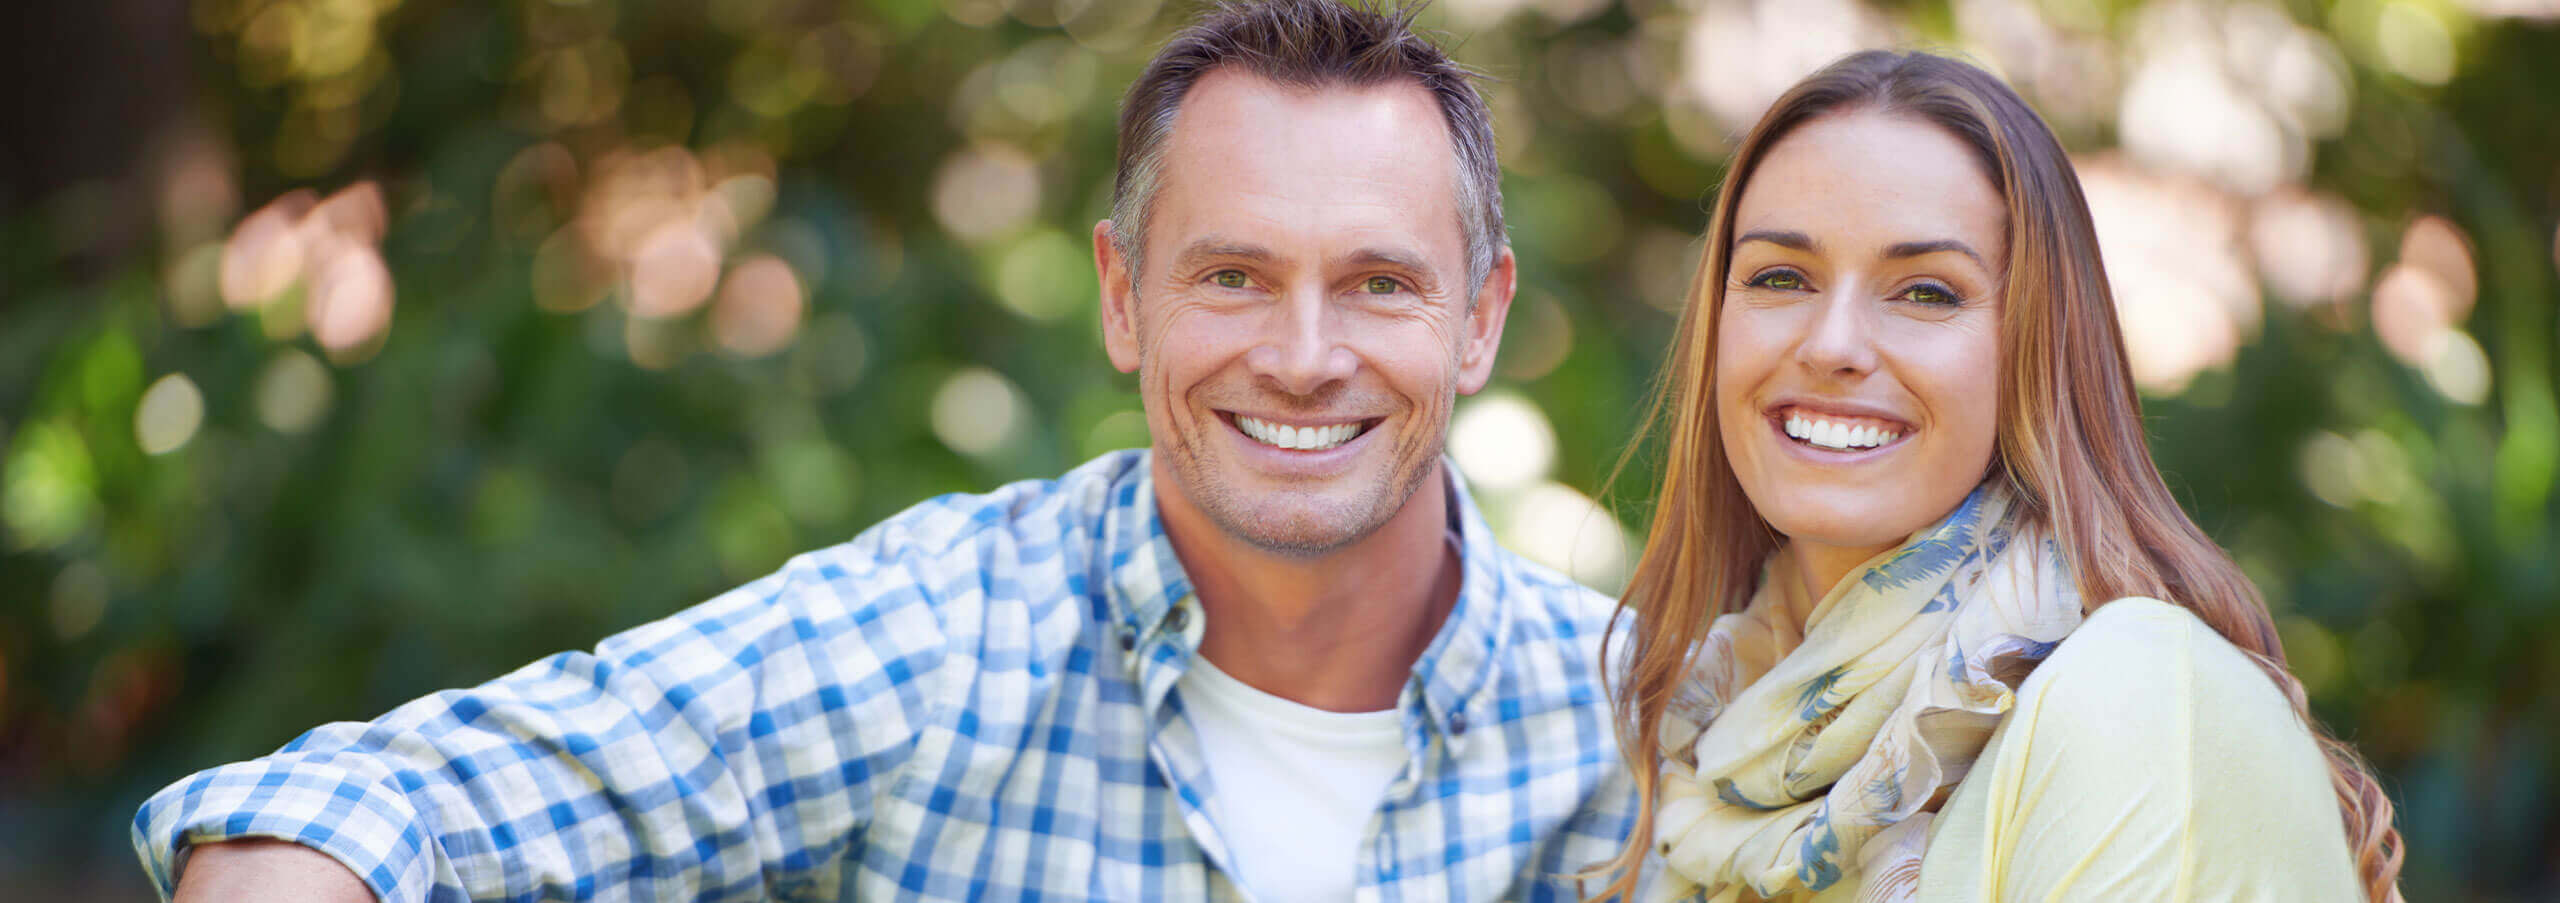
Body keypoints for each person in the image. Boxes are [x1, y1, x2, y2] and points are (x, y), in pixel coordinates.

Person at [130, 2, 1636, 900]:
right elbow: (364, 808)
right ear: (1123, 297)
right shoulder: (943, 635)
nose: (1302, 355)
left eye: (1378, 282)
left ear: (1481, 317)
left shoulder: (1647, 730)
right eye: (1232, 276)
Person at [1587, 51, 2403, 902]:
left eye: (1927, 293)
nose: (1831, 344)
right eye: (1780, 277)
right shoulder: (1703, 739)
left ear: (2034, 349)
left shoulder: (2139, 701)